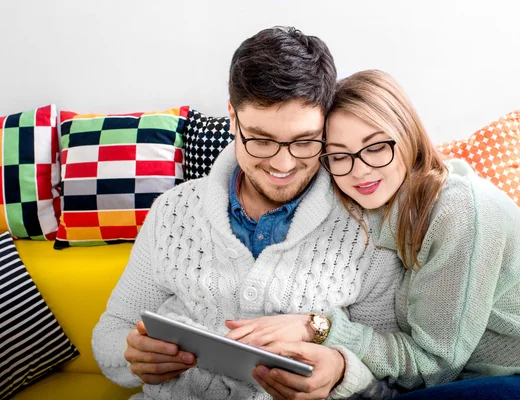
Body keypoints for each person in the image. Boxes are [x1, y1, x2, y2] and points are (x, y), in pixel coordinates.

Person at [226, 70, 520, 400]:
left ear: (407, 136)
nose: (359, 170)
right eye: (340, 156)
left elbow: (434, 365)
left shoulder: (460, 210)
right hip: (485, 379)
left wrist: (318, 327)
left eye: (376, 147)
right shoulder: (370, 209)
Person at [92, 29, 403, 399]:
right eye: (261, 140)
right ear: (232, 116)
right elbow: (112, 330)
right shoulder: (172, 212)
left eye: (304, 142)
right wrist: (132, 356)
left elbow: (396, 373)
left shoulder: (366, 226)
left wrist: (341, 371)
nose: (283, 164)